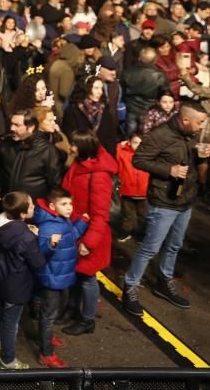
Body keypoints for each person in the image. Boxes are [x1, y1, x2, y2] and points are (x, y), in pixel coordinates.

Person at [122, 101, 208, 316]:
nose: (201, 127)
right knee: (150, 247)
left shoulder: (190, 135)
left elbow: (190, 163)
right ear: (186, 120)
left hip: (185, 201)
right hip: (163, 202)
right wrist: (169, 169)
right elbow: (139, 160)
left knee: (174, 245)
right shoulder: (159, 135)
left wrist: (201, 155)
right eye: (200, 123)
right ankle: (130, 287)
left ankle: (163, 281)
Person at [61, 130, 116, 337]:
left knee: (87, 278)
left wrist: (89, 243)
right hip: (76, 230)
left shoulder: (99, 175)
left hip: (90, 235)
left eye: (74, 144)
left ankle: (87, 319)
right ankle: (72, 310)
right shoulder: (80, 164)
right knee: (77, 275)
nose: (70, 147)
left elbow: (101, 215)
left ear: (84, 147)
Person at [0, 191, 46, 370]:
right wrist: (35, 237)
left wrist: (26, 230)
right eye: (31, 205)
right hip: (16, 285)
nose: (34, 207)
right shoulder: (25, 237)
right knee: (11, 324)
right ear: (22, 215)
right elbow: (38, 262)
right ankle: (8, 360)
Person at [29, 187, 88, 368]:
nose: (69, 207)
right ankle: (46, 353)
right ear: (53, 206)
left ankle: (43, 334)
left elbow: (71, 238)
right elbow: (40, 253)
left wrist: (82, 222)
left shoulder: (62, 220)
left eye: (70, 203)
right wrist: (50, 244)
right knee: (50, 314)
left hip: (57, 274)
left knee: (45, 308)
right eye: (64, 204)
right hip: (52, 276)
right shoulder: (49, 226)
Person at [115, 133, 148, 242]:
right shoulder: (124, 154)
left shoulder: (148, 155)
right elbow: (116, 151)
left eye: (140, 143)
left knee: (143, 216)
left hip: (143, 192)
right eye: (135, 142)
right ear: (129, 142)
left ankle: (141, 234)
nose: (138, 145)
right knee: (127, 214)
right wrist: (121, 144)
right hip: (127, 191)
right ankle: (126, 232)